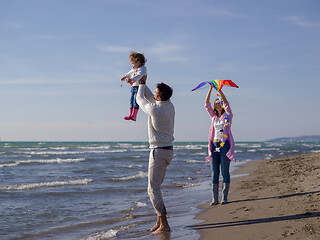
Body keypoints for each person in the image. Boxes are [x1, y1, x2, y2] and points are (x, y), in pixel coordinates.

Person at [136, 75, 175, 234]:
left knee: (152, 189)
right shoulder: (169, 105)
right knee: (156, 188)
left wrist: (142, 84)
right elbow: (149, 96)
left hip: (158, 153)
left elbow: (140, 99)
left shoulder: (154, 109)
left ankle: (164, 223)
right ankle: (159, 221)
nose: (153, 94)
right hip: (167, 151)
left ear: (159, 97)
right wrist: (140, 80)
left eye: (155, 93)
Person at [205, 85, 236, 205]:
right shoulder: (213, 117)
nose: (218, 105)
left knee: (225, 171)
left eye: (220, 103)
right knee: (214, 173)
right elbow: (206, 104)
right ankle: (214, 198)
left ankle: (225, 197)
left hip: (225, 146)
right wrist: (210, 89)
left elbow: (227, 103)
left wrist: (220, 91)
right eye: (216, 103)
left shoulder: (228, 116)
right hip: (213, 145)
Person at [121, 51, 147, 121]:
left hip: (139, 87)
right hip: (133, 87)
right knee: (131, 100)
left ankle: (134, 115)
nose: (132, 65)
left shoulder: (142, 69)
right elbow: (130, 72)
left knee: (136, 100)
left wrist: (131, 79)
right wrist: (125, 76)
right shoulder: (134, 69)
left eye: (133, 63)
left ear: (139, 62)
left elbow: (139, 76)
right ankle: (130, 114)